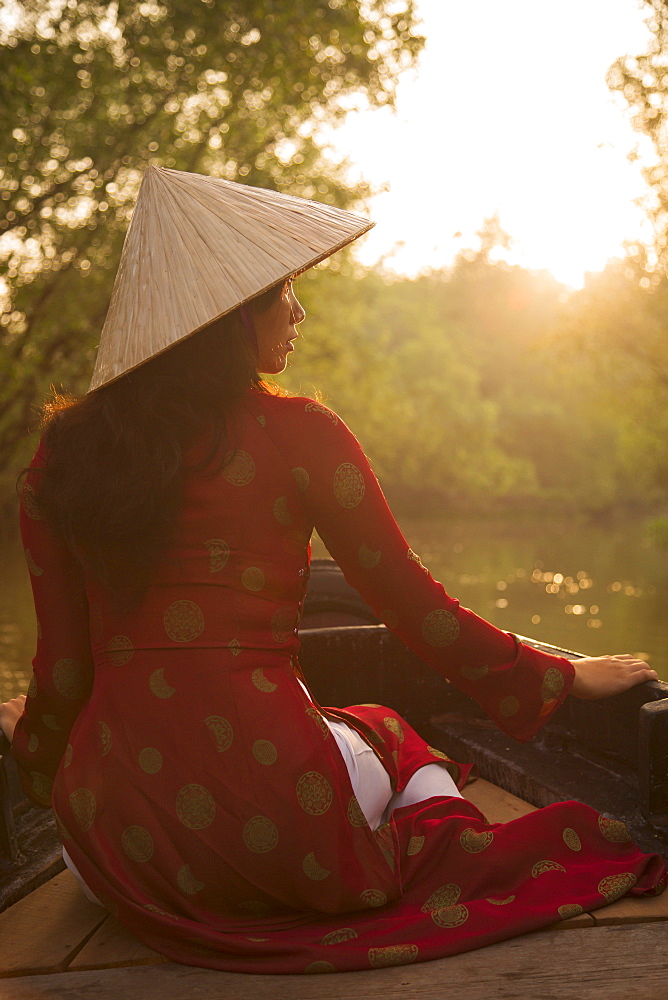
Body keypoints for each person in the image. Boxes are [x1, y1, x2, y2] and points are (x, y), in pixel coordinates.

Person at [1, 167, 665, 975]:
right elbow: (417, 612)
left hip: (117, 847)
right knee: (389, 731)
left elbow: (64, 673)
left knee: (313, 750)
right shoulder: (300, 433)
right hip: (285, 830)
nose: (298, 310)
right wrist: (562, 677)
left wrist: (35, 752)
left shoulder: (63, 460)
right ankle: (430, 823)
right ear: (233, 314)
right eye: (284, 291)